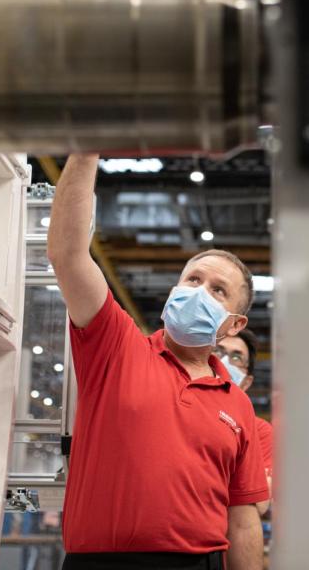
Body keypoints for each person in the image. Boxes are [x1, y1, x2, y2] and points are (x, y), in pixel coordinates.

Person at [47, 154, 270, 570]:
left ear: (233, 324)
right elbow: (67, 254)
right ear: (175, 286)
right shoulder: (116, 346)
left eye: (218, 290)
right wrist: (85, 150)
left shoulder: (237, 405)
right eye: (193, 279)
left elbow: (242, 522)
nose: (199, 292)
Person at [215, 329, 273, 512]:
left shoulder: (258, 430)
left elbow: (259, 503)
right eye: (217, 351)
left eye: (237, 358)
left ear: (246, 382)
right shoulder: (176, 405)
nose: (224, 362)